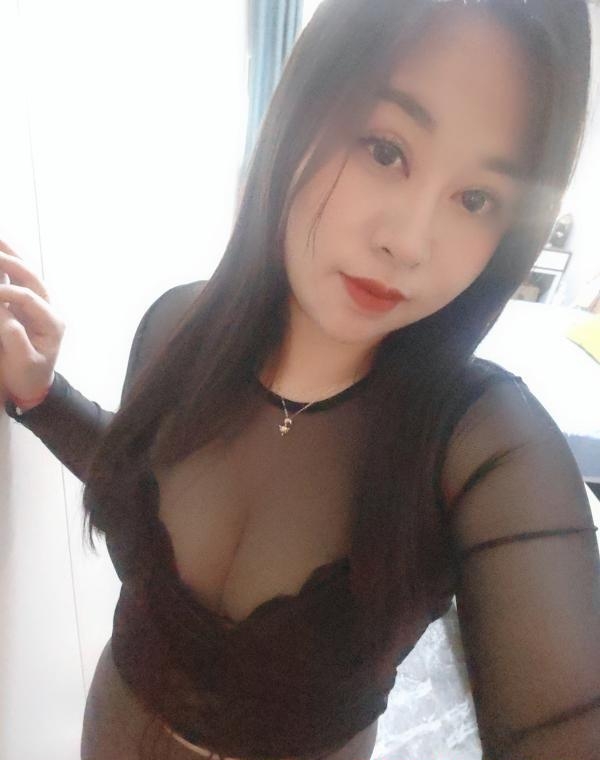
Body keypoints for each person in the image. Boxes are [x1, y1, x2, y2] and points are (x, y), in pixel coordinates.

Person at [1, 0, 599, 758]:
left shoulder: (485, 448)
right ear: (301, 110)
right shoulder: (178, 326)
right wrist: (41, 395)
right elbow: (142, 500)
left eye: (476, 199)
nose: (409, 242)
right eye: (385, 148)